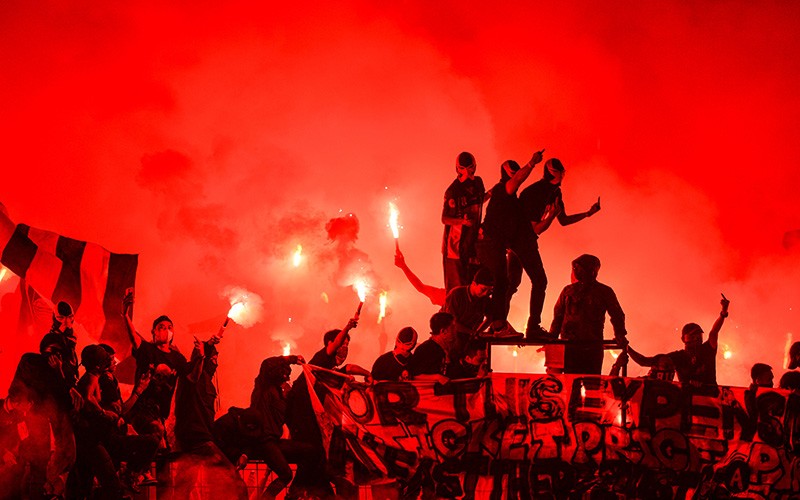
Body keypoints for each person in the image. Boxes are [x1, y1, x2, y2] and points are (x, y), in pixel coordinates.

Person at [285, 316, 369, 497]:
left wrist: (368, 375)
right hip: (301, 416)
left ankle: (313, 490)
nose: (344, 348)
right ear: (331, 344)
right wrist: (347, 327)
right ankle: (296, 491)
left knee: (318, 457)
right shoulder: (320, 359)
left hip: (311, 419)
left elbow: (348, 369)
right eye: (342, 343)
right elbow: (333, 347)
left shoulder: (329, 370)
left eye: (347, 345)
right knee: (313, 453)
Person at [517, 158, 601, 337]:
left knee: (510, 284)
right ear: (555, 173)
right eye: (561, 172)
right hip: (521, 240)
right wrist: (551, 216)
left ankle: (506, 324)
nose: (563, 175)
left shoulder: (555, 192)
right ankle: (532, 327)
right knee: (539, 281)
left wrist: (587, 214)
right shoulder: (535, 193)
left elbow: (563, 220)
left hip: (525, 240)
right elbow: (536, 227)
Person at [12, 309, 82, 499]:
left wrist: (62, 375)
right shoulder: (32, 365)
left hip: (59, 437)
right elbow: (17, 401)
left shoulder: (65, 370)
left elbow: (67, 400)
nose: (54, 358)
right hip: (39, 432)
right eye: (61, 317)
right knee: (37, 470)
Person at [477, 150, 545, 338]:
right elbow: (517, 180)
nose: (516, 176)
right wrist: (531, 163)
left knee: (501, 283)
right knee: (499, 282)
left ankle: (494, 323)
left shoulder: (508, 197)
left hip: (494, 243)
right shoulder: (503, 190)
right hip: (489, 243)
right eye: (513, 173)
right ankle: (497, 326)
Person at [173, 334, 248, 499]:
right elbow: (195, 372)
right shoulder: (191, 374)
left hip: (196, 438)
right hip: (197, 438)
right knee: (232, 480)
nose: (216, 363)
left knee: (183, 487)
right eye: (213, 358)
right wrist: (203, 352)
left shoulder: (206, 380)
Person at [248, 354, 324, 500]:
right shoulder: (263, 388)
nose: (287, 376)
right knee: (286, 474)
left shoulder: (282, 398)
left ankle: (295, 492)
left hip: (273, 441)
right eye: (285, 372)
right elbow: (266, 364)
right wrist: (291, 359)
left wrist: (287, 396)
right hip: (263, 440)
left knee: (311, 451)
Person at [122, 289, 188, 450]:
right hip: (141, 408)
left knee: (164, 450)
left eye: (169, 327)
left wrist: (205, 353)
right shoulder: (146, 350)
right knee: (156, 436)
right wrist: (125, 314)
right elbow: (133, 335)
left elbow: (192, 375)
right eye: (161, 327)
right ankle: (135, 471)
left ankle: (139, 470)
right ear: (154, 331)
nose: (166, 330)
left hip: (161, 413)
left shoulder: (178, 359)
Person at [549, 254, 628, 375]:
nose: (576, 271)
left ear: (592, 270)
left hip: (590, 346)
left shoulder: (603, 291)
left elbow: (617, 315)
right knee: (571, 382)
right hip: (571, 346)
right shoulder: (568, 291)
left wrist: (620, 334)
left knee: (590, 383)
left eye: (578, 268)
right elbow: (558, 317)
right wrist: (552, 340)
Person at [628, 295, 730, 387]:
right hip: (687, 401)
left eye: (698, 336)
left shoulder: (707, 350)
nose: (696, 339)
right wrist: (627, 348)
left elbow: (713, 332)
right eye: (693, 336)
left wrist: (723, 314)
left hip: (711, 398)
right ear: (684, 339)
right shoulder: (678, 357)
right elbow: (644, 361)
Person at [71, 344, 124, 499]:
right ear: (98, 364)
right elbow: (88, 398)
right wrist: (103, 413)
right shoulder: (91, 378)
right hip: (88, 439)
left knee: (85, 482)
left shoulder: (92, 377)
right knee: (107, 480)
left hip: (87, 438)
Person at [442, 151, 486, 291]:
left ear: (475, 167)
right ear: (457, 169)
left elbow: (479, 200)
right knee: (457, 289)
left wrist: (492, 193)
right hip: (455, 249)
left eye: (470, 168)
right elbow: (444, 218)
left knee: (474, 285)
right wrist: (462, 221)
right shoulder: (453, 191)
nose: (467, 172)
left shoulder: (478, 183)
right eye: (463, 168)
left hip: (473, 244)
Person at [0, 380, 34, 497]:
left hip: (13, 460)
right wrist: (3, 453)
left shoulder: (19, 414)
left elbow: (24, 435)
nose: (29, 405)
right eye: (27, 402)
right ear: (17, 403)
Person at [408, 312, 457, 383]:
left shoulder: (449, 351)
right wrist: (437, 377)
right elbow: (414, 375)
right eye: (453, 328)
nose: (456, 331)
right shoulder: (425, 350)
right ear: (443, 331)